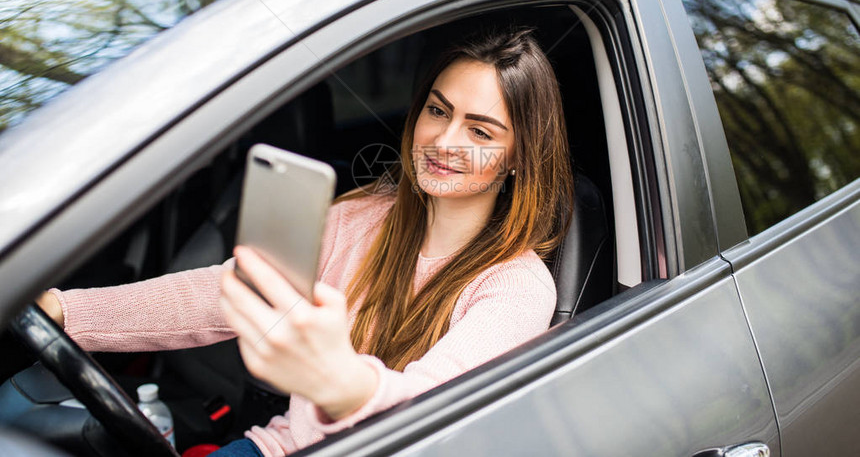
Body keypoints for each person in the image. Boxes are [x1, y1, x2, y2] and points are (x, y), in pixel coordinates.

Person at [36, 26, 575, 457]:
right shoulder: (359, 217)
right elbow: (224, 294)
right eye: (438, 110)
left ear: (519, 157)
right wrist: (63, 310)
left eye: (480, 131)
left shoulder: (516, 287)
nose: (443, 140)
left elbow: (436, 413)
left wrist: (343, 385)